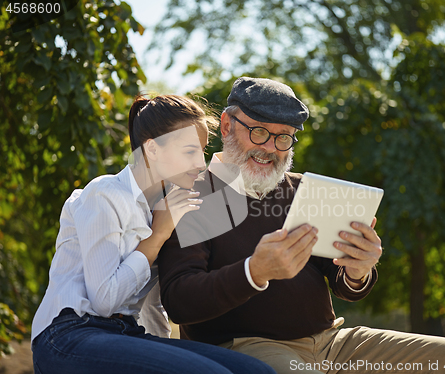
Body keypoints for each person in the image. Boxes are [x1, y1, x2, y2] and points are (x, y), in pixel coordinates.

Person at [157, 77, 445, 373]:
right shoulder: (193, 195)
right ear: (227, 125)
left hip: (333, 343)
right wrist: (254, 272)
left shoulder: (305, 190)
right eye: (259, 132)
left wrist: (358, 270)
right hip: (247, 348)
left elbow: (342, 282)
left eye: (284, 138)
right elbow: (179, 302)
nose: (270, 148)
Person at [31, 94, 276, 374]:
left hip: (125, 334)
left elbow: (151, 304)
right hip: (68, 335)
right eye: (189, 151)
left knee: (256, 371)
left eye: (203, 151)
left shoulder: (168, 205)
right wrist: (157, 235)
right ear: (152, 150)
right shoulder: (105, 194)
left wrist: (165, 352)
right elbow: (104, 300)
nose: (200, 163)